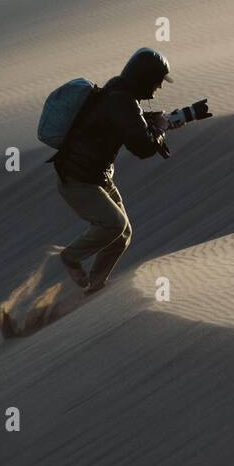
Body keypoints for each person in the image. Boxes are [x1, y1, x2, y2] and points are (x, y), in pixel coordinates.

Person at [51, 47, 173, 294]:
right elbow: (142, 147)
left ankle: (95, 287)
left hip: (96, 176)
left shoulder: (118, 96)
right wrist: (159, 129)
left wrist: (159, 124)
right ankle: (70, 257)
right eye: (157, 82)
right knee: (114, 225)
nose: (158, 88)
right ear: (144, 79)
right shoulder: (120, 100)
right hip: (79, 179)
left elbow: (130, 124)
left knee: (122, 234)